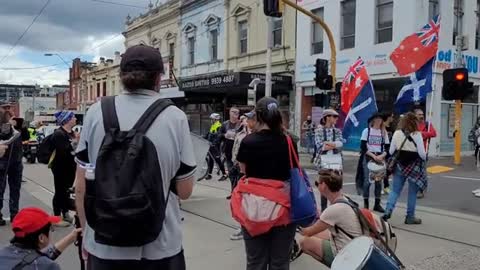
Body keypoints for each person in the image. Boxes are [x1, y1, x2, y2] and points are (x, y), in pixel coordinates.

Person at [74, 44, 196, 270]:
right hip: (161, 246)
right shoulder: (175, 117)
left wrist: (86, 234)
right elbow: (185, 191)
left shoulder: (95, 113)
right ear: (159, 78)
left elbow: (81, 185)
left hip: (103, 245)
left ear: (121, 77)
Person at [236, 97, 296, 270]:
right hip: (283, 208)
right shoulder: (288, 141)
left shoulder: (248, 141)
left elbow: (243, 169)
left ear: (259, 116)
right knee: (280, 262)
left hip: (253, 207)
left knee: (255, 262)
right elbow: (294, 169)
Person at [299, 169, 363, 268]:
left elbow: (308, 232)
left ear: (324, 185)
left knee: (304, 241)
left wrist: (297, 226)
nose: (317, 185)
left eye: (317, 183)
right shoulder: (345, 200)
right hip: (356, 248)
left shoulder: (333, 210)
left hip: (346, 254)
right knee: (318, 233)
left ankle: (338, 266)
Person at [0, 207, 81, 270]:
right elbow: (40, 261)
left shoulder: (3, 253)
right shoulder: (48, 266)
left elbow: (35, 257)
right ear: (41, 238)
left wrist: (72, 237)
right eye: (50, 229)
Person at [382, 113, 427, 225]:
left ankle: (388, 211)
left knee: (395, 190)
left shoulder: (397, 133)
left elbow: (391, 151)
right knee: (412, 193)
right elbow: (422, 154)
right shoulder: (417, 134)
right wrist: (426, 157)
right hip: (414, 166)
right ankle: (410, 217)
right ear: (414, 122)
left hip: (400, 165)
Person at [229, 112, 256, 241]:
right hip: (240, 170)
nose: (245, 121)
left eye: (247, 119)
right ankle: (243, 227)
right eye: (244, 119)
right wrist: (234, 162)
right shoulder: (240, 134)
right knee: (240, 201)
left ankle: (248, 228)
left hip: (252, 173)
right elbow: (236, 149)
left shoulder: (255, 136)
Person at [357, 113, 389, 212]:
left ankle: (377, 204)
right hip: (368, 157)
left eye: (381, 119)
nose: (379, 121)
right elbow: (363, 147)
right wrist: (374, 156)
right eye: (377, 118)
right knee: (368, 181)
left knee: (378, 182)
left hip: (380, 158)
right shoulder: (367, 131)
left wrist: (382, 156)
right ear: (373, 120)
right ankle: (366, 203)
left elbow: (387, 147)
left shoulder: (384, 133)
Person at [50, 110, 78, 227]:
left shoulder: (71, 133)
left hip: (71, 167)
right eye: (73, 117)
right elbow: (63, 151)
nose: (75, 118)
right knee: (59, 191)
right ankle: (56, 217)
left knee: (66, 192)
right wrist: (76, 142)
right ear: (67, 120)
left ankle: (65, 213)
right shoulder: (59, 134)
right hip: (60, 168)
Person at [313, 109, 343, 212]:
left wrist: (329, 144)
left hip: (336, 161)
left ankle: (335, 210)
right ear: (327, 117)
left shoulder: (338, 131)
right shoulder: (319, 130)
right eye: (334, 116)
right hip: (323, 161)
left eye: (336, 117)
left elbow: (340, 145)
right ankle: (324, 210)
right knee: (324, 185)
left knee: (336, 185)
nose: (336, 119)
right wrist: (334, 144)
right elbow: (320, 146)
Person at [0, 103, 23, 226]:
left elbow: (25, 137)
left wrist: (20, 127)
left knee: (15, 188)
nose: (9, 110)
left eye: (10, 108)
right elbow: (4, 136)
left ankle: (15, 214)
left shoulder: (17, 125)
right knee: (1, 188)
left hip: (16, 161)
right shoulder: (4, 124)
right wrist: (9, 125)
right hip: (3, 161)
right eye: (6, 108)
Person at [219, 107, 241, 199]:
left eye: (237, 112)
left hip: (238, 154)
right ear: (229, 113)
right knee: (231, 174)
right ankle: (233, 192)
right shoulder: (224, 124)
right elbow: (219, 135)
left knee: (239, 174)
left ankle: (238, 193)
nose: (235, 114)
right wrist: (224, 135)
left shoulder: (241, 124)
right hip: (228, 152)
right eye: (233, 112)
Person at [414, 108, 436, 199]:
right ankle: (416, 187)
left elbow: (434, 133)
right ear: (415, 115)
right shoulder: (412, 125)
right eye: (419, 114)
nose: (421, 116)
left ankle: (421, 188)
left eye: (422, 114)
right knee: (415, 171)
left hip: (423, 151)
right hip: (413, 151)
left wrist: (422, 134)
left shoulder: (427, 124)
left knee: (422, 171)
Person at [203, 113, 227, 181]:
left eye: (212, 119)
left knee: (218, 161)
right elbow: (209, 134)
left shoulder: (219, 126)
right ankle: (209, 175)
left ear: (215, 119)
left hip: (216, 147)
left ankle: (224, 174)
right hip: (211, 146)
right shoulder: (213, 125)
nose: (211, 120)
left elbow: (219, 137)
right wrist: (202, 138)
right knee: (211, 160)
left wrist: (214, 143)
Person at [382, 112, 396, 195]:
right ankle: (385, 187)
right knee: (385, 170)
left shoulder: (391, 127)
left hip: (391, 151)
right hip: (383, 151)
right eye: (392, 116)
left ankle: (385, 186)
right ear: (388, 117)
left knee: (389, 169)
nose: (393, 118)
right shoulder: (382, 127)